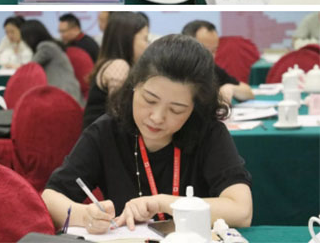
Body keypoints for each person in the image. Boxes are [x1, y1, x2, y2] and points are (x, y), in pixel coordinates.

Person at [43, 34, 253, 234]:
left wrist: (161, 203)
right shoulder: (107, 131)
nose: (157, 117)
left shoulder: (209, 133)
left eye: (176, 110)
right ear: (134, 85)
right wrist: (84, 216)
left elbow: (242, 211)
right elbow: (50, 197)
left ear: (194, 108)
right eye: (150, 100)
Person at [83, 12, 150, 128]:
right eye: (145, 39)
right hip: (101, 136)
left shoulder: (110, 62)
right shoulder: (119, 65)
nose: (148, 45)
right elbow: (120, 113)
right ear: (128, 39)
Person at [181, 20, 254, 103]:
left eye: (214, 50)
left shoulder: (210, 68)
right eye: (206, 50)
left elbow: (249, 92)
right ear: (188, 46)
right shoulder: (175, 69)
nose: (212, 56)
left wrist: (231, 88)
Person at [21, 19, 83, 105]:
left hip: (65, 91)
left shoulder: (46, 47)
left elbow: (31, 67)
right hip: (65, 90)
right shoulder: (51, 45)